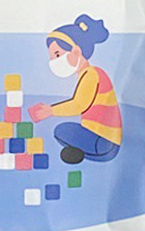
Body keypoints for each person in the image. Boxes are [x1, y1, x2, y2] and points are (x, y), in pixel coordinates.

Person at [34, 14, 121, 164]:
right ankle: (84, 151)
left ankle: (87, 151)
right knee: (66, 132)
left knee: (61, 131)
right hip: (103, 142)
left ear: (76, 51)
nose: (53, 61)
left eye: (57, 54)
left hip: (104, 142)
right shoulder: (86, 74)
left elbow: (78, 105)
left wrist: (51, 110)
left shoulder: (92, 74)